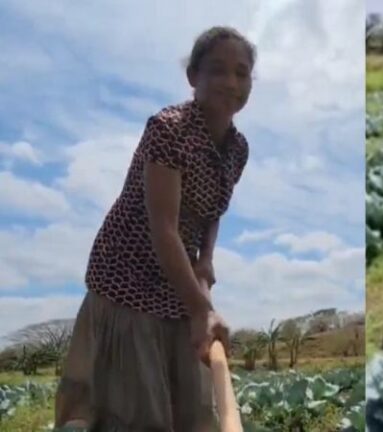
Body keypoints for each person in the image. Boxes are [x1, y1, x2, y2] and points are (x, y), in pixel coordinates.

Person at [54, 26, 254, 431]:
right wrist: (201, 309)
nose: (231, 83)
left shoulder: (237, 148)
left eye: (241, 72)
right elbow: (163, 227)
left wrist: (207, 259)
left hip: (179, 284)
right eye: (217, 70)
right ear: (193, 77)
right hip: (129, 278)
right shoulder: (169, 129)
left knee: (188, 409)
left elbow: (214, 209)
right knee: (136, 414)